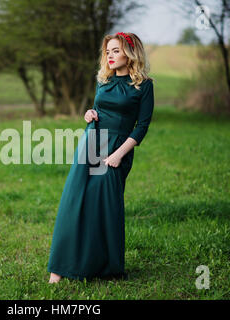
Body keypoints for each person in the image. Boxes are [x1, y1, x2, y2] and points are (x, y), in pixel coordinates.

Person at [47, 32, 155, 283]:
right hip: (93, 141)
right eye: (108, 51)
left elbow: (142, 127)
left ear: (131, 53)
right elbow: (100, 109)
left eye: (116, 50)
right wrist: (89, 114)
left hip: (118, 149)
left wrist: (118, 155)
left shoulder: (144, 85)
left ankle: (104, 267)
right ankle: (59, 269)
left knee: (105, 206)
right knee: (76, 201)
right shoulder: (103, 81)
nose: (110, 55)